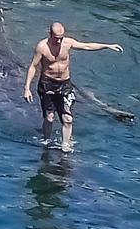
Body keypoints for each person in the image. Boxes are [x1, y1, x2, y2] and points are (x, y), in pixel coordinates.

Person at [23, 21, 124, 151]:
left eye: (61, 38)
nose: (59, 41)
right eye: (56, 38)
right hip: (47, 84)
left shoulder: (67, 43)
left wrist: (107, 46)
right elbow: (33, 66)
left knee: (68, 118)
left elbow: (87, 46)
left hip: (64, 84)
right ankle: (46, 141)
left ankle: (66, 146)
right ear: (50, 33)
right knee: (50, 117)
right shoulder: (42, 47)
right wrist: (27, 88)